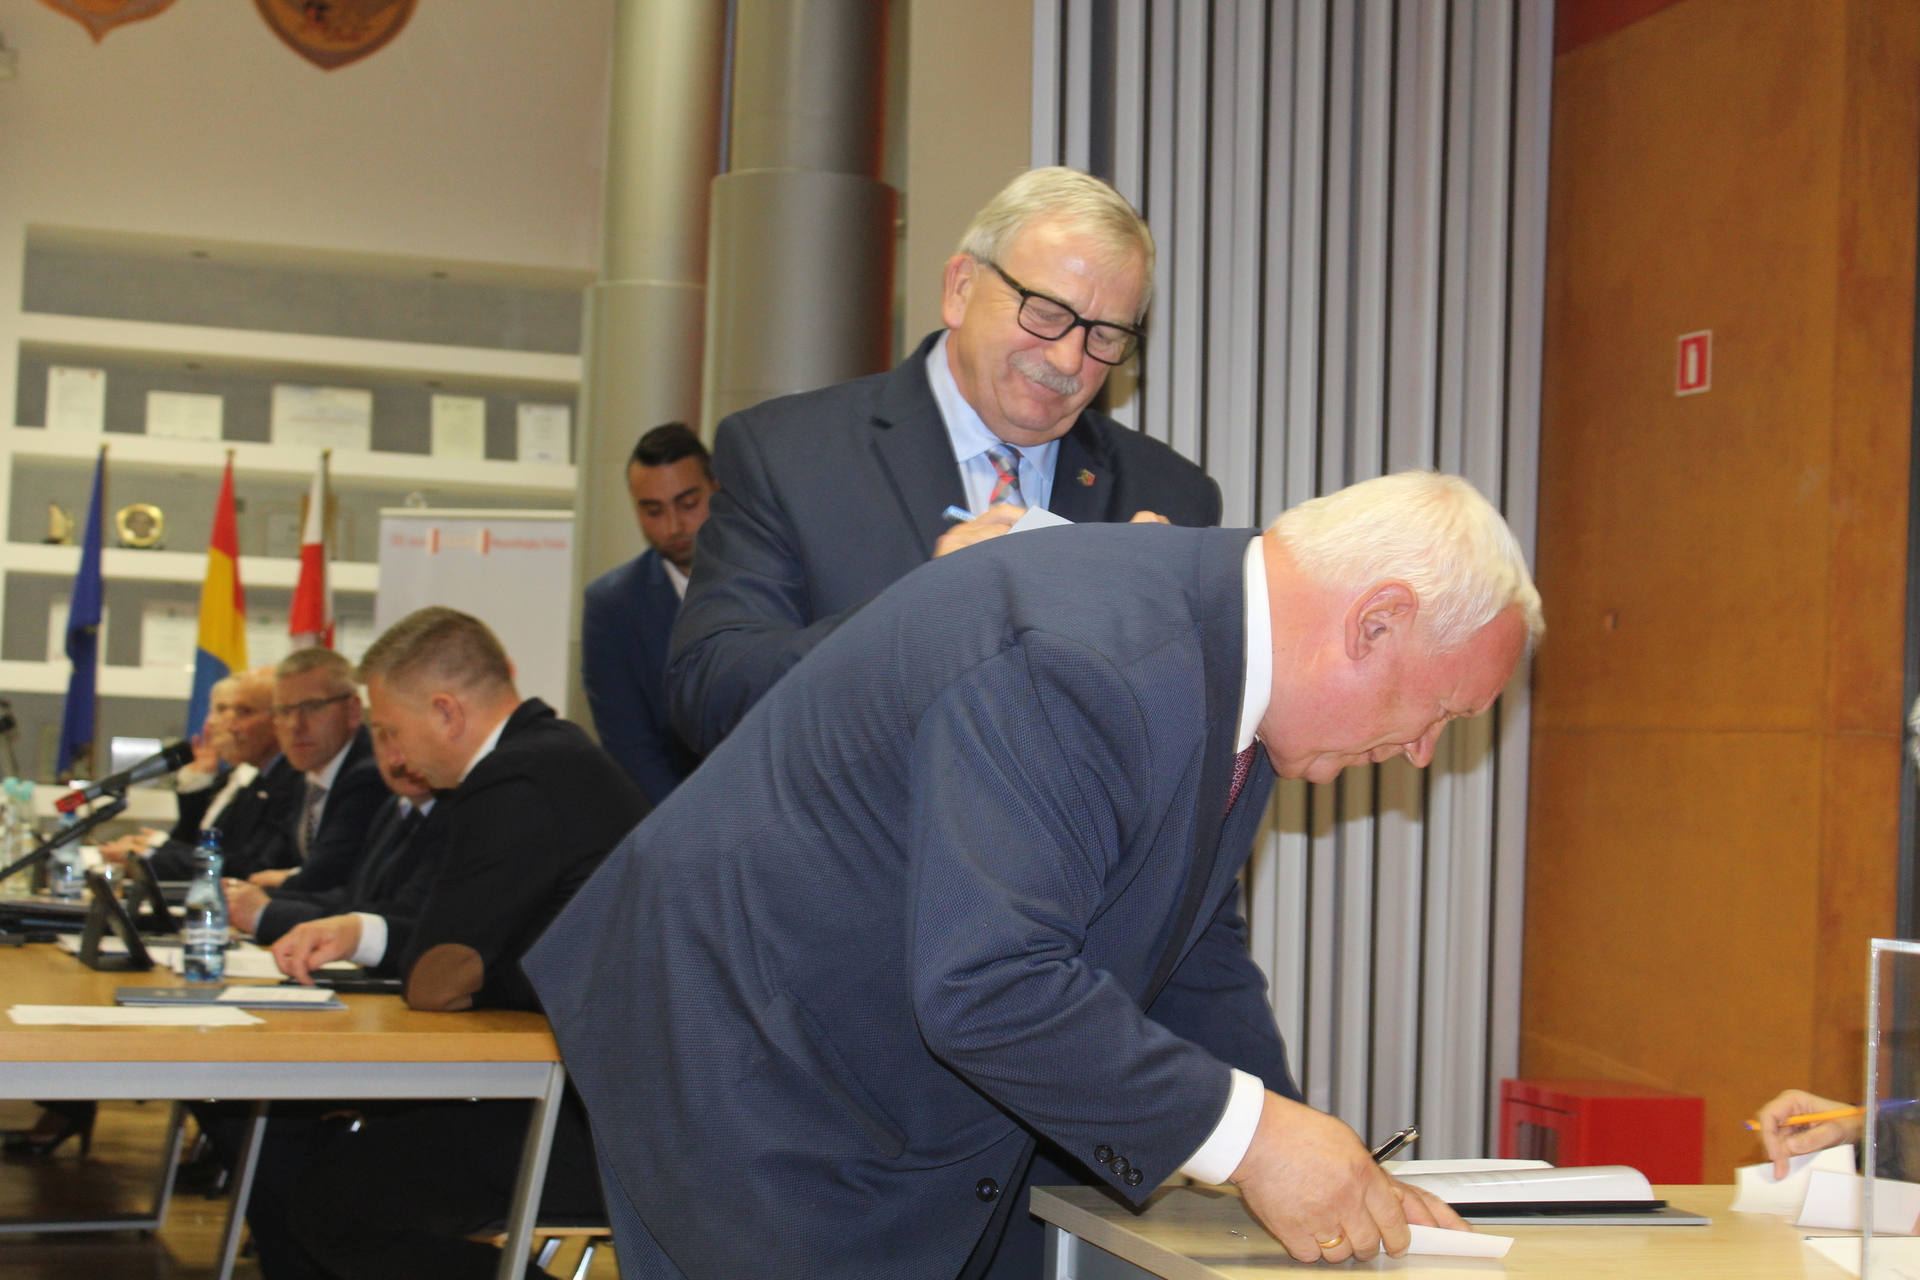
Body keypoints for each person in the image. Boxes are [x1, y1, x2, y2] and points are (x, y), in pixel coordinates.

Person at [529, 471, 1541, 1279]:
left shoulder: (1228, 666)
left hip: (839, 1038)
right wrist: (1256, 1140)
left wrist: (1313, 1161)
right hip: (743, 1056)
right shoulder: (1093, 661)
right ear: (1375, 621)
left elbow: (1193, 957)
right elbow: (988, 985)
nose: (1422, 753)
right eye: (1443, 711)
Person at [668, 166, 1219, 756]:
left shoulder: (1171, 497)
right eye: (1045, 312)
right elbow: (713, 694)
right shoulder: (787, 453)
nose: (1068, 359)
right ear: (960, 288)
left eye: (1104, 335)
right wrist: (922, 618)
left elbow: (1198, 747)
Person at [263, 607, 649, 1279]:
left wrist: (471, 969)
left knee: (335, 1199)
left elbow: (436, 980)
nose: (394, 756)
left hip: (604, 1131)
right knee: (340, 1163)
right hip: (618, 1104)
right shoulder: (555, 755)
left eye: (391, 730)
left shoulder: (512, 777)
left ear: (445, 711)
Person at [581, 422, 716, 803]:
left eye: (688, 505)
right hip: (676, 813)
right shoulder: (613, 607)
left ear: (717, 489)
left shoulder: (775, 577)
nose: (674, 526)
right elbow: (631, 748)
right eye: (654, 511)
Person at [225, 723, 448, 949]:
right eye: (382, 738)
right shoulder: (396, 805)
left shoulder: (453, 815)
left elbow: (402, 919)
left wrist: (267, 912)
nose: (397, 757)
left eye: (407, 736)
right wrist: (259, 899)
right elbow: (354, 897)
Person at [104, 666, 306, 881]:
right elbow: (209, 848)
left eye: (244, 712)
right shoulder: (260, 779)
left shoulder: (291, 780)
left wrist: (152, 852)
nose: (229, 726)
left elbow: (246, 867)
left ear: (280, 718)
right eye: (223, 710)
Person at [245, 648, 384, 895]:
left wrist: (280, 882)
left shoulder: (370, 775)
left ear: (353, 710)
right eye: (284, 711)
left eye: (312, 707)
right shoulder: (307, 776)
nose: (295, 725)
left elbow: (326, 877)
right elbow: (266, 863)